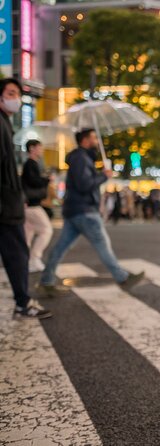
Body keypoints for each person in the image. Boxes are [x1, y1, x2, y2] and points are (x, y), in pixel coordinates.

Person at [38, 128, 143, 296]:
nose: (96, 141)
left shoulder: (81, 158)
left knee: (61, 247)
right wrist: (103, 176)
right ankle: (122, 277)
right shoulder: (81, 158)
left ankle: (46, 280)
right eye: (94, 137)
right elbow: (84, 184)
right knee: (102, 245)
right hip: (84, 210)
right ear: (85, 140)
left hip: (75, 209)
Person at [0, 78, 51, 318]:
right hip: (6, 206)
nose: (16, 99)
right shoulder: (1, 124)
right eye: (11, 93)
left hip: (9, 202)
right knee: (18, 254)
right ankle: (23, 302)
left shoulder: (5, 124)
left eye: (18, 94)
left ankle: (23, 301)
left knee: (18, 250)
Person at [21, 139, 54, 272]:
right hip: (32, 204)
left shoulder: (31, 164)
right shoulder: (30, 164)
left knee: (28, 234)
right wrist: (47, 179)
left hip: (27, 205)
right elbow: (34, 182)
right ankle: (34, 259)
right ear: (32, 149)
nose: (41, 150)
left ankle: (25, 261)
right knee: (46, 230)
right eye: (39, 147)